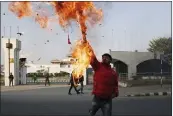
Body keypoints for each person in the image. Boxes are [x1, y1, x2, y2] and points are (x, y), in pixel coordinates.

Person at [88, 50, 119, 116]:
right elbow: (92, 58)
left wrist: (115, 93)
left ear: (110, 60)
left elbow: (115, 84)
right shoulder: (98, 66)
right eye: (103, 57)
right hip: (97, 98)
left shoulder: (113, 73)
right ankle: (91, 110)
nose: (104, 58)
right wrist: (88, 47)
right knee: (92, 113)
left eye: (106, 57)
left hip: (107, 100)